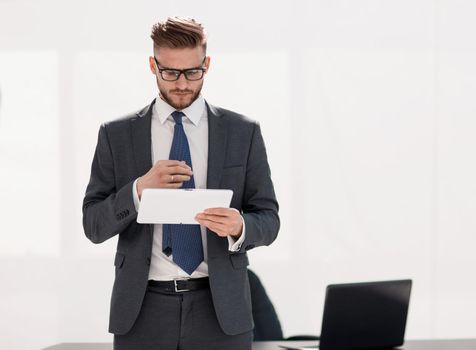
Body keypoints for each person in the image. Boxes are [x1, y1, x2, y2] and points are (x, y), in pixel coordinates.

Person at [82, 16, 279, 350]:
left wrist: (240, 225)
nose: (182, 84)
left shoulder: (242, 132)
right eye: (170, 73)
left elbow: (269, 220)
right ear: (152, 65)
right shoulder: (116, 135)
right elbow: (93, 225)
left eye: (193, 72)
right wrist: (139, 189)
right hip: (143, 309)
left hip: (220, 310)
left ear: (207, 64)